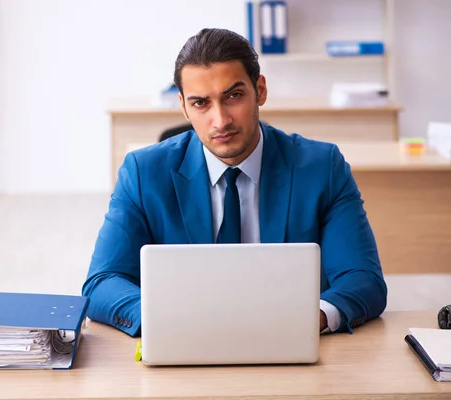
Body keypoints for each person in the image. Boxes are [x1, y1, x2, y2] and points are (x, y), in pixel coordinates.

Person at [82, 28, 387, 337]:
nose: (221, 120)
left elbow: (362, 279)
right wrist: (165, 318)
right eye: (201, 103)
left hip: (286, 342)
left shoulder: (323, 168)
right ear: (184, 106)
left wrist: (312, 318)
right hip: (185, 343)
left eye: (233, 96)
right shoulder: (142, 172)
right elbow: (102, 282)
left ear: (260, 90)